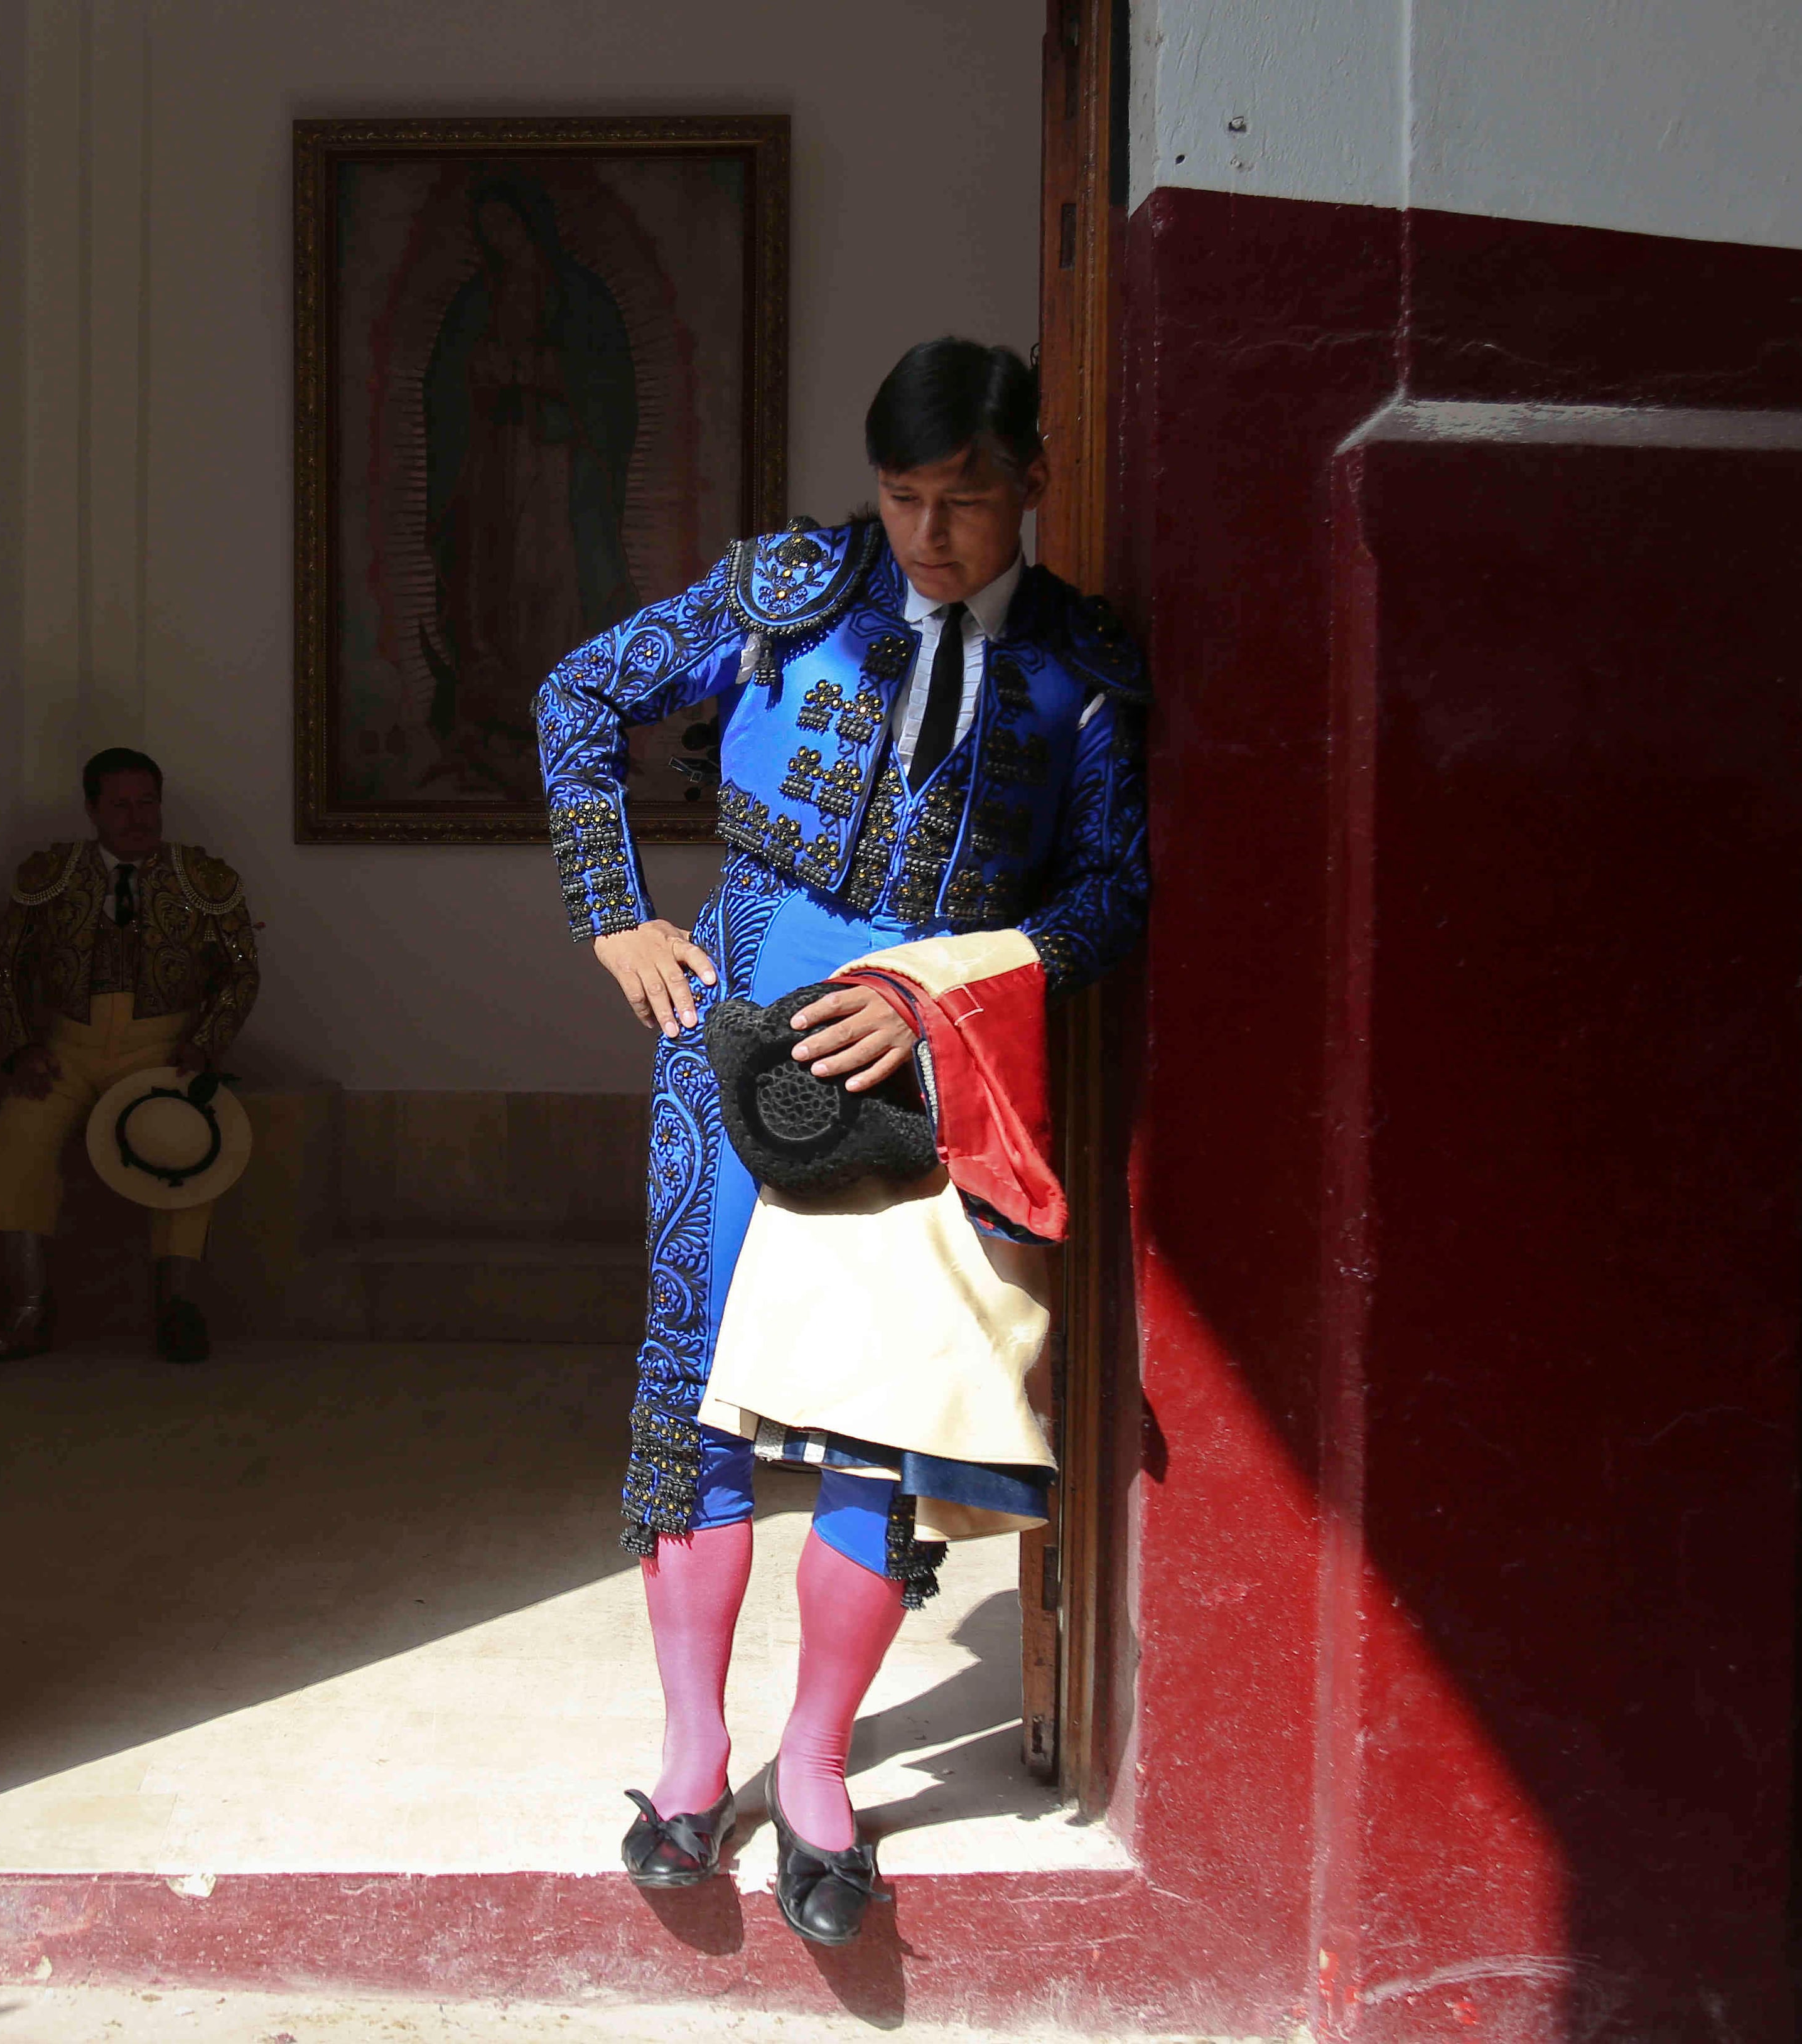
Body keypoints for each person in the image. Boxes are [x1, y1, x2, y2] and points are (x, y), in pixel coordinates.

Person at [534, 338, 1150, 1944]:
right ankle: (690, 1759)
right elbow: (579, 692)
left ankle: (814, 1772)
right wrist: (618, 920)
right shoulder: (791, 592)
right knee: (699, 1403)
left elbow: (1107, 893)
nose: (926, 536)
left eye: (962, 502)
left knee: (876, 1417)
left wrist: (939, 992)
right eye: (900, 498)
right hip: (728, 1038)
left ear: (1029, 483)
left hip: (928, 1062)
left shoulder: (1083, 670)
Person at [0, 746, 261, 1365]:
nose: (137, 818)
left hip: (160, 1049)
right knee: (14, 1139)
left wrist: (204, 1041)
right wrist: (22, 1046)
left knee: (186, 1142)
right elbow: (4, 966)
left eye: (147, 803)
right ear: (92, 809)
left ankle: (177, 1303)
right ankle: (28, 1304)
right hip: (66, 1048)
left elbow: (240, 974)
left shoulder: (201, 879)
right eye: (120, 805)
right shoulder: (50, 876)